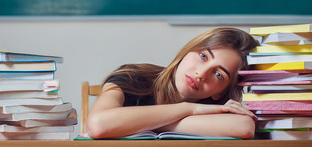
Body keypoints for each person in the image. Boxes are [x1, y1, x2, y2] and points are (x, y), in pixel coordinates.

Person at [86, 27, 260, 139]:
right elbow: (98, 124)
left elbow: (244, 127)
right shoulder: (131, 76)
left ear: (221, 92)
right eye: (203, 56)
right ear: (187, 51)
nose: (201, 74)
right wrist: (189, 109)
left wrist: (132, 123)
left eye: (219, 75)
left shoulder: (215, 108)